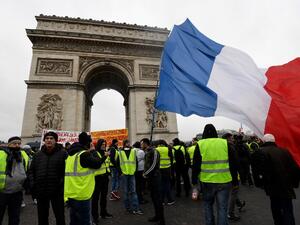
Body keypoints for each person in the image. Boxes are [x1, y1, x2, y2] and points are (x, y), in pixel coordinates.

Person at [192, 124, 238, 225]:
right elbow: (233, 163)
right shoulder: (224, 143)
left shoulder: (200, 144)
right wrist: (235, 181)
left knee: (207, 205)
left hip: (207, 182)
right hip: (224, 180)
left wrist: (194, 180)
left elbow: (196, 165)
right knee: (222, 208)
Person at [252, 134, 300, 225]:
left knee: (276, 209)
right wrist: (294, 183)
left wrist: (260, 184)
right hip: (286, 186)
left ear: (264, 141)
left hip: (272, 187)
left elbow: (257, 170)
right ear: (274, 141)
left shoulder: (259, 152)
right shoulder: (285, 151)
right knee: (288, 210)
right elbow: (294, 168)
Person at [28, 131, 67, 225]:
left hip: (57, 191)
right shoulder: (37, 155)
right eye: (47, 138)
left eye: (51, 138)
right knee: (42, 218)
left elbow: (66, 173)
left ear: (56, 141)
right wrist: (33, 184)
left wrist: (61, 185)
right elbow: (31, 171)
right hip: (41, 190)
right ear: (44, 140)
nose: (49, 140)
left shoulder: (63, 154)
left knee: (60, 217)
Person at [64, 132, 103, 225]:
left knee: (74, 221)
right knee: (84, 221)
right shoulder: (84, 155)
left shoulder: (70, 155)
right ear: (88, 143)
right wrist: (93, 151)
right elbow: (98, 163)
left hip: (71, 194)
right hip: (82, 194)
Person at [0, 136, 29, 225]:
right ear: (9, 144)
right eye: (14, 143)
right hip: (2, 192)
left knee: (15, 218)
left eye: (19, 144)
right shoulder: (1, 154)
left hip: (17, 192)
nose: (17, 146)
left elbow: (27, 170)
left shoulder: (24, 155)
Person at [141, 138, 165, 225]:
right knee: (154, 199)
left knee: (158, 199)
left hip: (155, 178)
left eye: (142, 143)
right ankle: (157, 216)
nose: (141, 145)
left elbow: (154, 165)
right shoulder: (147, 152)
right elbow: (147, 165)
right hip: (150, 178)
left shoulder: (154, 151)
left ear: (146, 143)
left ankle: (162, 220)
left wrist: (145, 173)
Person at [117, 139, 143, 214]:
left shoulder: (133, 151)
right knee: (125, 192)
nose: (128, 144)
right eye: (127, 142)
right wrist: (120, 172)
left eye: (129, 142)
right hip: (124, 174)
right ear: (124, 144)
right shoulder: (120, 153)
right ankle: (128, 209)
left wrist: (135, 171)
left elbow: (136, 162)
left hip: (132, 174)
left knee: (133, 191)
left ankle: (136, 208)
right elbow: (117, 163)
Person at [91, 139, 113, 225]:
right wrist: (105, 156)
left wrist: (109, 172)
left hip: (105, 178)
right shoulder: (94, 153)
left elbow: (106, 164)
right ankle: (95, 217)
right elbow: (98, 164)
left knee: (104, 197)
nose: (104, 145)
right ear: (99, 145)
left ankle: (104, 213)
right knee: (95, 199)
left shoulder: (105, 153)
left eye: (105, 144)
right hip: (97, 179)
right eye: (102, 144)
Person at [156, 139, 175, 205]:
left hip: (159, 169)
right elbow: (171, 158)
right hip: (167, 169)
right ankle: (170, 200)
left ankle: (162, 201)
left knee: (160, 185)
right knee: (167, 184)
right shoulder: (168, 149)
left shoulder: (156, 149)